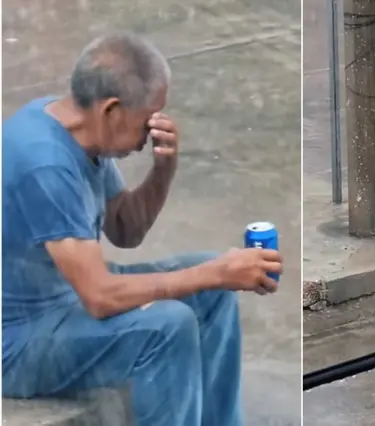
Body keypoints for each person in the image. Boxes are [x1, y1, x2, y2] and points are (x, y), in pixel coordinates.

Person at [2, 32, 283, 426]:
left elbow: (125, 230)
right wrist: (215, 272)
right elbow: (99, 296)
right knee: (168, 327)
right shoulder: (45, 164)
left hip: (68, 299)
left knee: (212, 294)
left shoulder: (81, 133)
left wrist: (162, 169)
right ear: (111, 111)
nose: (149, 133)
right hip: (22, 344)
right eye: (145, 121)